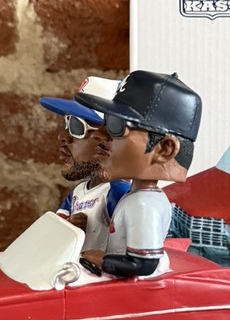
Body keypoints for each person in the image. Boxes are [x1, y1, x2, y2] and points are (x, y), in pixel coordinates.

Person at [74, 70, 202, 280]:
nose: (100, 135)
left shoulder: (144, 203)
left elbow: (143, 264)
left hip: (131, 289)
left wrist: (102, 259)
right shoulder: (137, 197)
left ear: (164, 149)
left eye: (116, 125)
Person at [40, 76, 129, 250]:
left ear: (109, 137)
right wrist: (68, 228)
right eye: (66, 123)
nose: (63, 137)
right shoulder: (77, 192)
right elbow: (53, 233)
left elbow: (127, 249)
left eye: (77, 126)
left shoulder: (117, 192)